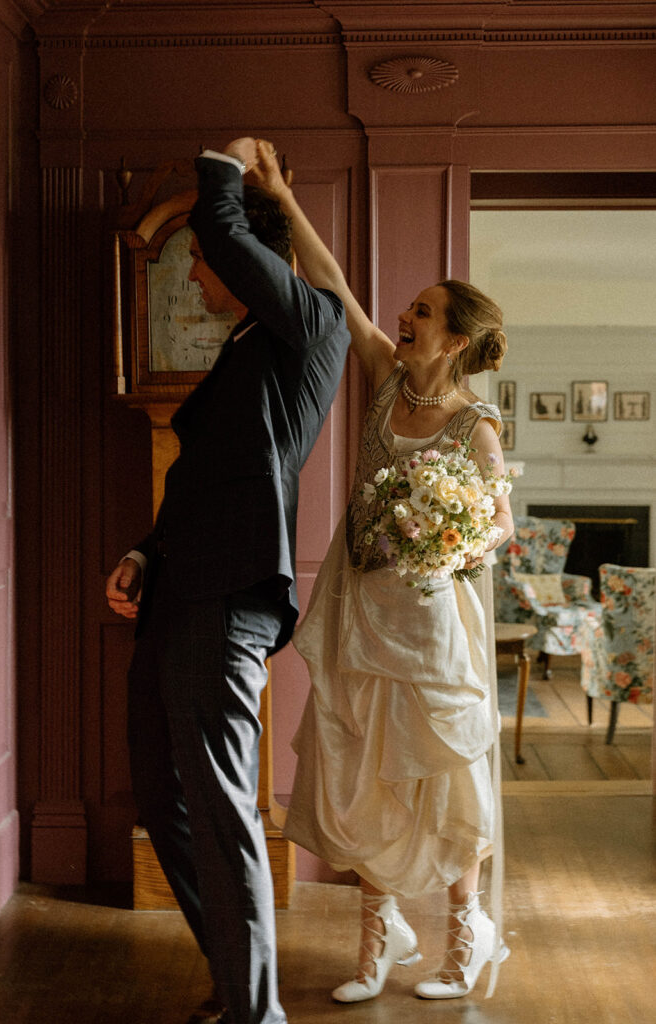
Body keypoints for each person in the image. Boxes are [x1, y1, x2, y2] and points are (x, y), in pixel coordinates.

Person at [250, 141, 514, 1005]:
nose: (403, 318)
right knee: (360, 768)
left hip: (431, 623)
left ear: (459, 338)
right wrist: (285, 201)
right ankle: (377, 939)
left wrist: (452, 545)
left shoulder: (476, 425)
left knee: (441, 776)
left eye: (423, 313)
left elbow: (499, 525)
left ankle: (463, 939)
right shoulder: (379, 373)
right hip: (360, 609)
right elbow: (331, 282)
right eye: (407, 308)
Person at [105, 138, 350, 1024]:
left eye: (207, 264)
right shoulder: (245, 347)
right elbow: (205, 481)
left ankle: (257, 1015)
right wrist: (144, 551)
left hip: (229, 603)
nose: (200, 282)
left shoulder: (308, 328)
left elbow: (222, 220)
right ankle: (235, 981)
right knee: (163, 795)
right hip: (178, 592)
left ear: (252, 262)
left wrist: (228, 163)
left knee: (222, 810)